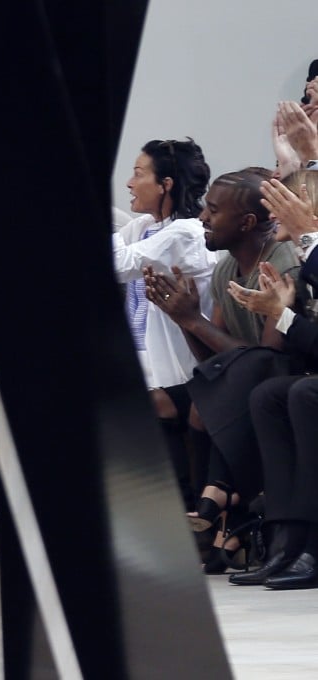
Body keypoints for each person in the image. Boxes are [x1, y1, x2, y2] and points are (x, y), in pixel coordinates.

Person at [144, 168, 300, 572]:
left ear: (247, 223)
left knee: (209, 402)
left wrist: (195, 321)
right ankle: (214, 515)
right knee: (176, 397)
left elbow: (266, 360)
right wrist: (184, 317)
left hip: (284, 380)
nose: (202, 219)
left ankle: (212, 510)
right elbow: (215, 362)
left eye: (213, 211)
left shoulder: (280, 262)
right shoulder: (224, 269)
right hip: (246, 384)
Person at [225, 170, 318, 587]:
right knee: (269, 394)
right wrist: (282, 310)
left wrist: (282, 315)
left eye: (285, 202)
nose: (273, 212)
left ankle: (313, 544)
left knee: (305, 394)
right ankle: (286, 538)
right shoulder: (303, 265)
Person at [113, 139, 215, 508]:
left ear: (166, 184)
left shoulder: (185, 233)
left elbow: (117, 263)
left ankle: (184, 511)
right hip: (143, 360)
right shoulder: (144, 225)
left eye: (139, 174)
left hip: (178, 368)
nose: (129, 182)